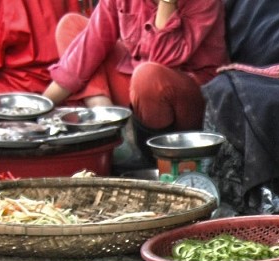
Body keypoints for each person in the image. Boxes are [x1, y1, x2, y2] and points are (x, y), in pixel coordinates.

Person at [41, 0, 227, 153]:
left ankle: (145, 154)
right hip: (136, 90)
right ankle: (107, 125)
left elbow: (162, 60)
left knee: (147, 76)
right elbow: (86, 50)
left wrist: (167, 3)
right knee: (72, 26)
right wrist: (38, 109)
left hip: (187, 98)